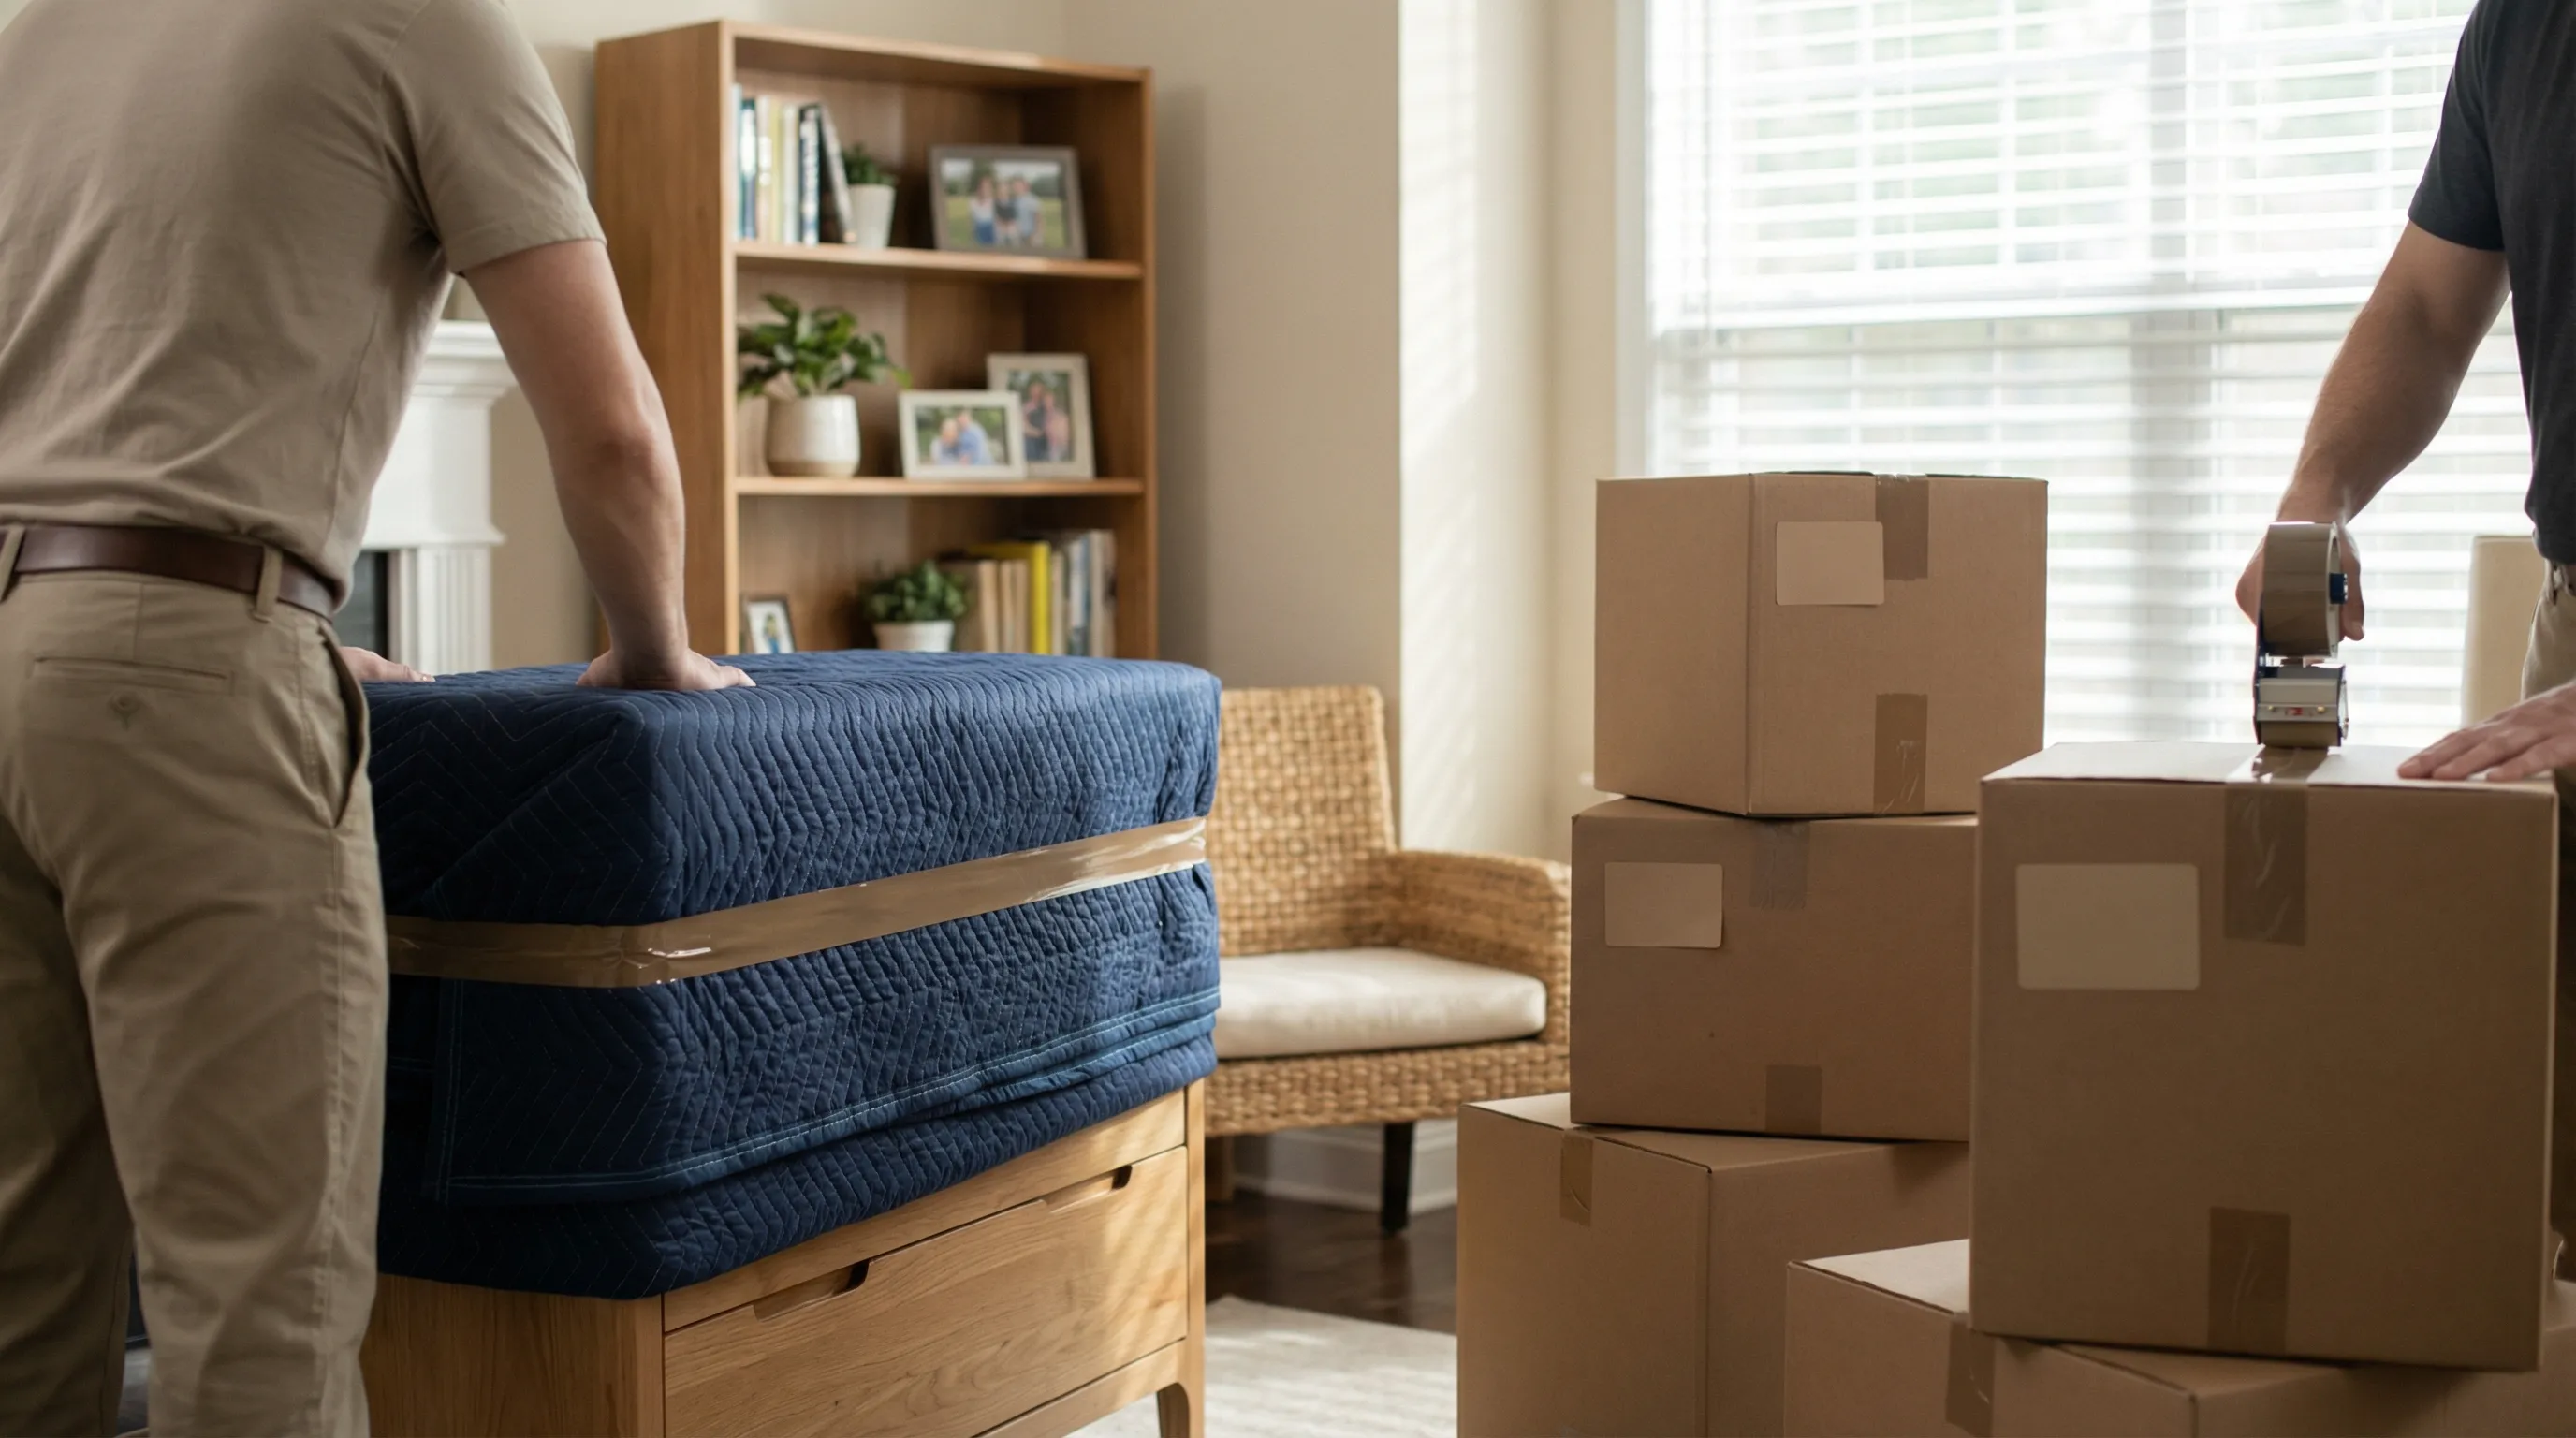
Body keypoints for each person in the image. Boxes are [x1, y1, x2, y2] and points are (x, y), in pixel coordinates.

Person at [0, 1, 750, 1432]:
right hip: (175, 686)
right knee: (259, 1308)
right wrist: (655, 652)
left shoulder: (41, 31)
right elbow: (607, 427)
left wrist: (226, 618)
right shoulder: (421, 19)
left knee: (21, 1290)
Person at [2229, 0, 2570, 1277]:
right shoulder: (2521, 28)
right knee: (2544, 1135)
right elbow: (2432, 306)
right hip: (2573, 618)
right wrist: (2315, 498)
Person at [969, 173, 1000, 247]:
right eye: (984, 187)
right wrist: (973, 233)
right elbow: (972, 220)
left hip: (992, 231)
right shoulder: (973, 202)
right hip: (980, 231)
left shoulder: (994, 201)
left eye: (988, 187)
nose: (986, 189)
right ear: (979, 188)